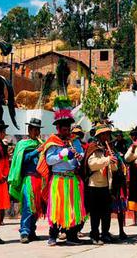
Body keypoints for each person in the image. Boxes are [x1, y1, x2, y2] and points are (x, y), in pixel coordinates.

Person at [38, 98, 86, 246]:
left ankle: (71, 236)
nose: (66, 131)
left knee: (72, 208)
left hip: (72, 179)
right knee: (56, 208)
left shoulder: (75, 141)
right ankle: (52, 236)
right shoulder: (53, 141)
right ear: (58, 128)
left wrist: (78, 157)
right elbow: (49, 160)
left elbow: (81, 154)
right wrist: (62, 154)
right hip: (58, 180)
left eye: (68, 128)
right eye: (63, 129)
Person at [8, 118, 45, 243]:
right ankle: (24, 231)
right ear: (29, 130)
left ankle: (32, 231)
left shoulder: (41, 143)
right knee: (29, 205)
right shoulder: (22, 144)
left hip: (39, 178)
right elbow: (22, 161)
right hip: (28, 178)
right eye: (34, 129)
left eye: (38, 130)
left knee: (37, 207)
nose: (36, 132)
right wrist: (36, 151)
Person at [83, 124, 118, 244]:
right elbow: (92, 164)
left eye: (107, 134)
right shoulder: (93, 147)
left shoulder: (108, 148)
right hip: (94, 185)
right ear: (99, 135)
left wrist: (113, 162)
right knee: (95, 213)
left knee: (106, 212)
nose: (106, 136)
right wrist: (107, 160)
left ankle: (105, 233)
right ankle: (94, 235)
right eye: (103, 134)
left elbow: (113, 169)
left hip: (106, 185)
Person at [110, 129, 129, 240]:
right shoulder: (106, 154)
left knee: (120, 209)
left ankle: (121, 231)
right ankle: (105, 231)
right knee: (107, 209)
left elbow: (123, 167)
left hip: (119, 183)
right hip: (109, 184)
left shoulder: (118, 154)